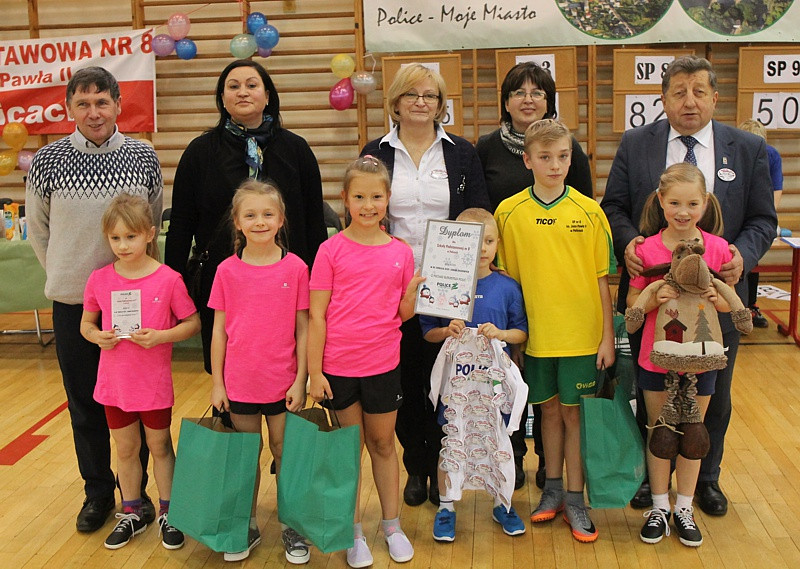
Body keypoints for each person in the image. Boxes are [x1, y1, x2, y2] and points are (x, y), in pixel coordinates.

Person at [601, 55, 777, 516]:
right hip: (652, 297)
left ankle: (706, 479)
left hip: (719, 300)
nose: (689, 101)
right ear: (662, 99)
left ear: (715, 98)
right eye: (678, 92)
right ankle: (651, 480)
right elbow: (613, 207)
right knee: (649, 390)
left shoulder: (747, 148)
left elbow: (762, 218)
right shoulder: (636, 143)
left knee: (713, 397)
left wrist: (743, 255)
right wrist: (628, 243)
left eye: (699, 91)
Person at [26, 66, 163, 533]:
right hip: (73, 306)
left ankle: (137, 495)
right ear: (68, 109)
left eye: (101, 102)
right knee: (85, 404)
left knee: (137, 404)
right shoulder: (48, 160)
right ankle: (97, 494)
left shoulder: (144, 156)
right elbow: (40, 233)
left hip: (133, 305)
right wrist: (74, 285)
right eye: (82, 103)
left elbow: (153, 221)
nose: (93, 112)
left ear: (118, 105)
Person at [361, 63, 491, 508]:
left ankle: (444, 464)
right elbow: (362, 212)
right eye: (412, 94)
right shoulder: (374, 151)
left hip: (449, 287)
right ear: (395, 102)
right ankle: (416, 465)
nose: (421, 102)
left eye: (431, 95)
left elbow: (477, 216)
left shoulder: (461, 152)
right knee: (405, 378)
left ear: (441, 104)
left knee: (447, 379)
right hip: (392, 289)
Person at [495, 119, 616, 543]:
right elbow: (505, 284)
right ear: (527, 160)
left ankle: (576, 497)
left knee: (574, 414)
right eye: (545, 157)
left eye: (563, 156)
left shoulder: (590, 210)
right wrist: (513, 341)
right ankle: (550, 492)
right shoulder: (508, 212)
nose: (555, 165)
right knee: (545, 412)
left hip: (582, 336)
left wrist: (605, 338)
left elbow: (603, 278)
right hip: (534, 337)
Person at [165, 59, 327, 374]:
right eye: (233, 86)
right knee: (229, 377)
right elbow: (181, 224)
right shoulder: (199, 152)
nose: (243, 92)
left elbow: (314, 222)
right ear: (222, 98)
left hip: (288, 283)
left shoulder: (297, 150)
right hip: (224, 283)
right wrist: (175, 285)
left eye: (252, 85)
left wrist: (319, 284)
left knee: (286, 372)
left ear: (267, 95)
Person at [475, 61, 594, 490]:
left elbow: (582, 213)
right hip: (507, 285)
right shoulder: (486, 148)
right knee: (514, 383)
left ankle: (553, 469)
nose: (528, 98)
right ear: (505, 102)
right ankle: (514, 458)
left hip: (560, 297)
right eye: (519, 91)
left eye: (538, 91)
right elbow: (481, 218)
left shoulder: (570, 151)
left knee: (559, 402)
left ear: (549, 100)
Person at [308, 156, 421, 568]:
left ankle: (392, 525)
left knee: (384, 444)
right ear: (345, 199)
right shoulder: (329, 250)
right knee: (348, 451)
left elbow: (404, 315)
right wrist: (315, 371)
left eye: (377, 196)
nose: (368, 204)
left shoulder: (401, 252)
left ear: (388, 199)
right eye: (360, 196)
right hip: (338, 367)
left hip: (383, 364)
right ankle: (353, 532)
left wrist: (412, 296)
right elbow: (316, 315)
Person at [80, 194, 200, 550]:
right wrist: (96, 336)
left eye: (130, 237)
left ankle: (169, 511)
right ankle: (131, 510)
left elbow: (192, 323)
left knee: (159, 445)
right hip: (114, 384)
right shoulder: (99, 279)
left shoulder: (168, 279)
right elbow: (86, 324)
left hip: (152, 384)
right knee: (126, 449)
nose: (122, 245)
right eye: (115, 238)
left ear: (149, 235)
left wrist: (162, 336)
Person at [627, 164, 730, 547]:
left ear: (705, 202)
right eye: (674, 203)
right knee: (659, 431)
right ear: (660, 202)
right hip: (657, 359)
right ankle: (658, 506)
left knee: (692, 433)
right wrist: (655, 295)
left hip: (701, 359)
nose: (683, 211)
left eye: (692, 203)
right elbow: (631, 305)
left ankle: (683, 507)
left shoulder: (718, 249)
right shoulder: (645, 248)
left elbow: (728, 304)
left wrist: (717, 299)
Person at [208, 180, 311, 564]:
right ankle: (244, 522)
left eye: (268, 214)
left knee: (286, 452)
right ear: (237, 222)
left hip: (283, 382)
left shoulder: (297, 267)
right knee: (246, 456)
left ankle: (292, 524)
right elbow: (219, 329)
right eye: (250, 215)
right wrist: (218, 382)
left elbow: (303, 328)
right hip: (240, 382)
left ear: (281, 219)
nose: (260, 221)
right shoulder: (226, 271)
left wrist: (300, 379)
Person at [419, 207, 528, 542]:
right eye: (476, 240)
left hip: (492, 383)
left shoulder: (507, 286)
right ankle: (446, 507)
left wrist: (501, 334)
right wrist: (447, 331)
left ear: (497, 243)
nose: (483, 247)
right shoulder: (441, 284)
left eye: (490, 240)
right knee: (453, 441)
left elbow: (521, 333)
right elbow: (427, 332)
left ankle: (502, 502)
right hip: (457, 382)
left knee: (498, 441)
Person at [738, 119, 783, 329]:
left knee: (752, 254)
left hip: (758, 212)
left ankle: (750, 305)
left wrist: (765, 218)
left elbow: (775, 191)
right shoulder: (734, 153)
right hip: (737, 213)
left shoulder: (771, 155)